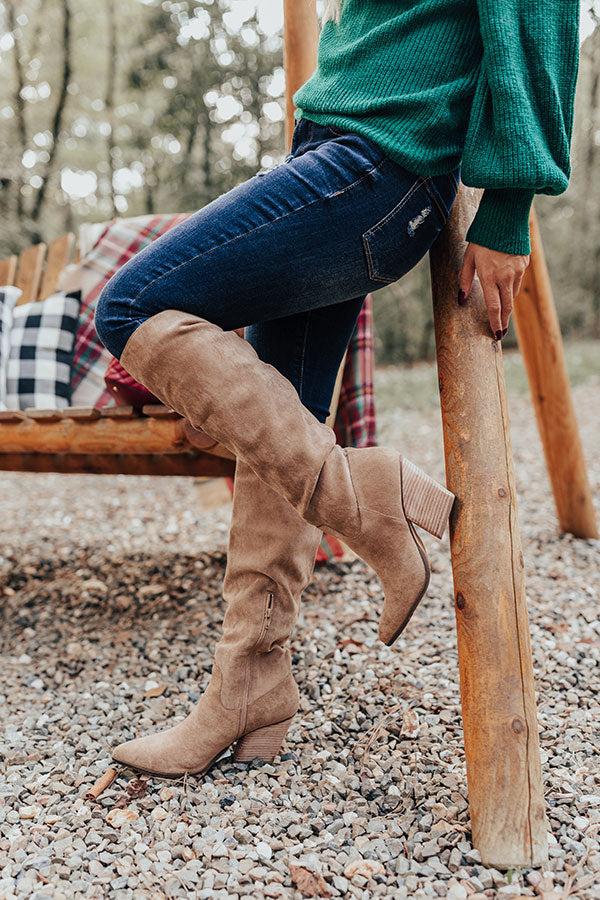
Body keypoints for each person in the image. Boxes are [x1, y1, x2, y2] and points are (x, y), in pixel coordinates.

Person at [94, 0, 579, 778]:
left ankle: (360, 493)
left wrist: (511, 207)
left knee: (130, 303)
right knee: (280, 409)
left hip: (380, 165)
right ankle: (250, 685)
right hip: (334, 154)